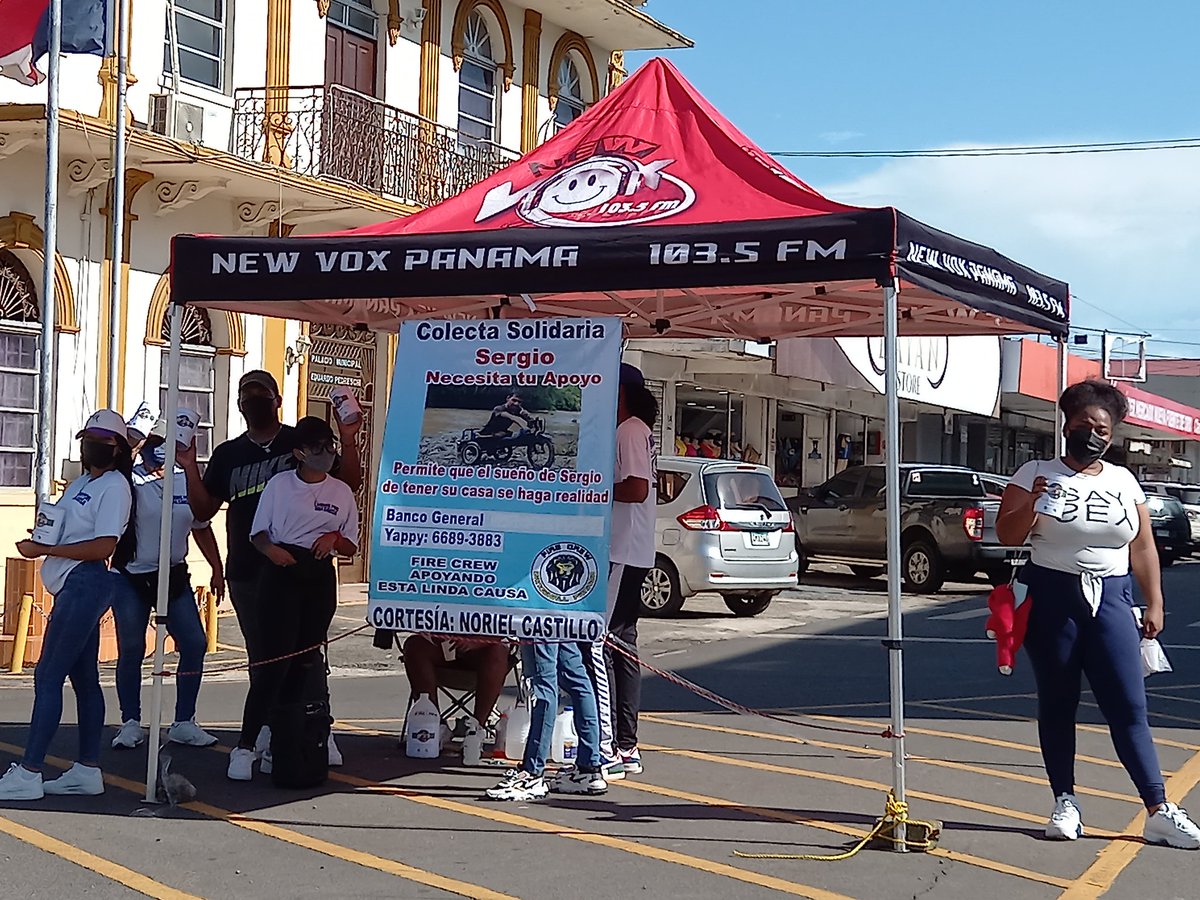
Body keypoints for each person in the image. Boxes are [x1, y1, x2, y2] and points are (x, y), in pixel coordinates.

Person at [997, 380, 1200, 849]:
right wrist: (1032, 503)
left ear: (1113, 435)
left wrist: (1155, 601)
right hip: (1052, 596)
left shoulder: (1123, 481)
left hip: (1111, 598)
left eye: (1102, 430)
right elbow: (1008, 534)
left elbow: (1142, 546)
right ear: (1066, 425)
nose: (1092, 435)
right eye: (1084, 425)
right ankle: (1064, 801)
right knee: (1058, 701)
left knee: (1128, 704)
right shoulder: (1035, 472)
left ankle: (1158, 809)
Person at [179, 370, 361, 764]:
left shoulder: (301, 440)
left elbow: (347, 482)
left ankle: (315, 728)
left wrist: (347, 438)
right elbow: (203, 510)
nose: (254, 402)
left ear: (278, 401)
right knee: (264, 657)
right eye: (247, 397)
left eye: (262, 395)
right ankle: (265, 731)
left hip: (304, 570)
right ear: (239, 405)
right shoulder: (228, 454)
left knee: (309, 655)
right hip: (249, 569)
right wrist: (190, 466)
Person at [0, 411, 133, 801]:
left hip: (84, 582)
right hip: (73, 584)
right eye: (89, 439)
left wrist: (46, 550)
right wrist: (44, 537)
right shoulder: (83, 483)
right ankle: (87, 769)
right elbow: (71, 530)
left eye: (102, 441)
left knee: (48, 675)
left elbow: (104, 545)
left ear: (118, 449)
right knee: (84, 678)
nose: (92, 446)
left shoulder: (115, 487)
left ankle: (29, 772)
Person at [228, 416, 359, 781]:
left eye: (330, 446)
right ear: (299, 453)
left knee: (307, 661)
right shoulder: (280, 485)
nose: (327, 454)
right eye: (318, 448)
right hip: (281, 571)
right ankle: (247, 744)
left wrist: (333, 539)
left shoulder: (340, 492)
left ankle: (308, 733)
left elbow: (351, 544)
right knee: (274, 663)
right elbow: (258, 535)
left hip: (318, 575)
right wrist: (273, 552)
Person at [110, 408, 226, 750]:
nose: (159, 450)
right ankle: (130, 722)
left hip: (173, 574)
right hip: (131, 575)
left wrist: (217, 568)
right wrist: (135, 441)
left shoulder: (184, 479)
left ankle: (184, 721)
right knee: (132, 647)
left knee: (194, 643)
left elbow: (201, 526)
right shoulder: (128, 479)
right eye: (154, 443)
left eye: (166, 444)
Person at [587, 363, 657, 781]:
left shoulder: (629, 431)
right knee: (623, 646)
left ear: (621, 392)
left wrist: (592, 490)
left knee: (599, 643)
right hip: (632, 549)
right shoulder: (636, 431)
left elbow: (636, 488)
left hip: (623, 549)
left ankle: (609, 744)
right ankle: (626, 744)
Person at [485, 638, 606, 801]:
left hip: (538, 624)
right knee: (574, 676)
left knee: (543, 681)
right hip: (562, 623)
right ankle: (588, 768)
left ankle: (532, 773)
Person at [402, 635, 510, 749]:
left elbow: (509, 631)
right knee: (414, 645)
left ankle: (477, 727)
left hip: (483, 650)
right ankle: (433, 724)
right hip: (443, 646)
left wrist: (477, 641)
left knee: (498, 649)